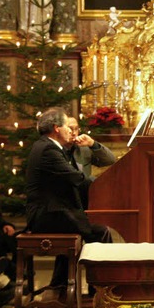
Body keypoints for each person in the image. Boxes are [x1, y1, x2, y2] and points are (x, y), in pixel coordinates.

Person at [26, 108, 113, 288]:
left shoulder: (45, 145)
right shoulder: (48, 149)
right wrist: (103, 186)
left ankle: (60, 285)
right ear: (57, 128)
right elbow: (76, 178)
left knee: (86, 228)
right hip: (48, 215)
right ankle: (102, 291)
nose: (72, 132)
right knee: (101, 232)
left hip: (52, 211)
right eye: (68, 126)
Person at [65, 117, 116, 209]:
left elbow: (110, 160)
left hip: (84, 198)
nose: (74, 133)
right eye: (70, 129)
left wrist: (92, 144)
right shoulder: (54, 150)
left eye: (76, 129)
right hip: (65, 199)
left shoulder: (83, 148)